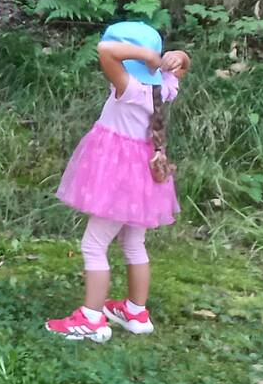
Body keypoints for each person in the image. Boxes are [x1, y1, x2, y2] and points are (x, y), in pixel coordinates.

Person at [45, 25, 189, 342]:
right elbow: (182, 64)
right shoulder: (163, 88)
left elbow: (105, 51)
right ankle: (135, 312)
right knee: (133, 243)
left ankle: (91, 319)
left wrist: (148, 56)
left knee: (93, 245)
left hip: (119, 180)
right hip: (145, 179)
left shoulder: (129, 88)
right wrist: (173, 57)